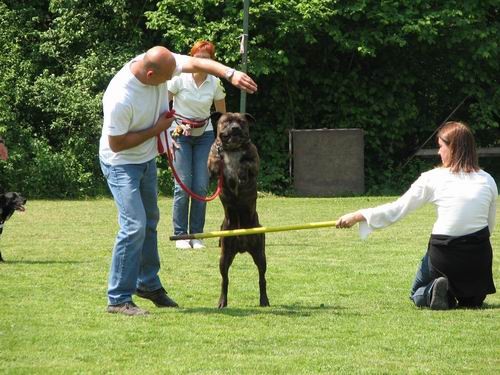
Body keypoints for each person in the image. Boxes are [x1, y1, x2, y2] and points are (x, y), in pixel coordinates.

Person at [99, 45, 257, 316]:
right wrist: (158, 130)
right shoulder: (120, 97)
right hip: (121, 164)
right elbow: (116, 144)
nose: (174, 78)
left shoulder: (163, 64)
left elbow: (200, 65)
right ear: (150, 73)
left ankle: (148, 284)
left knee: (149, 222)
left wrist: (230, 74)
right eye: (167, 77)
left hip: (145, 160)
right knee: (134, 225)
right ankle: (118, 298)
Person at [336, 121, 497, 310]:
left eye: (440, 147)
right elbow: (489, 226)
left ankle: (433, 292)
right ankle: (466, 293)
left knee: (416, 292)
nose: (439, 153)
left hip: (445, 253)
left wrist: (357, 216)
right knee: (471, 302)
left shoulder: (433, 178)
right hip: (478, 256)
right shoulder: (488, 180)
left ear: (452, 148)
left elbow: (397, 209)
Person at [168, 41, 226, 250]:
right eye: (198, 57)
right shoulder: (179, 79)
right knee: (182, 185)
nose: (202, 61)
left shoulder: (215, 82)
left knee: (201, 186)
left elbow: (222, 116)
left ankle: (196, 235)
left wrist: (221, 142)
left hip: (205, 135)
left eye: (207, 58)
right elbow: (163, 107)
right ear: (191, 58)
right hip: (180, 134)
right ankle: (180, 234)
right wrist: (167, 136)